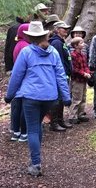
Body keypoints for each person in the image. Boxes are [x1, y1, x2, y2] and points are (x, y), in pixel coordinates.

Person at [5, 21, 70, 177]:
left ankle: (36, 164)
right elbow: (61, 76)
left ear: (30, 37)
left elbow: (17, 75)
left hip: (31, 96)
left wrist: (9, 95)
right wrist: (66, 96)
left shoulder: (26, 52)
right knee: (38, 124)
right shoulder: (53, 52)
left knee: (32, 128)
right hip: (49, 97)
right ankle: (37, 156)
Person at [48, 20, 73, 131]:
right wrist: (63, 75)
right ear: (57, 30)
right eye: (64, 29)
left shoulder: (61, 42)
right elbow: (59, 62)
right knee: (57, 99)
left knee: (62, 99)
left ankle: (60, 120)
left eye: (67, 29)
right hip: (59, 76)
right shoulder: (56, 43)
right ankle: (54, 123)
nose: (66, 31)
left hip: (64, 75)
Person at [8, 23, 31, 142]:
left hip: (19, 78)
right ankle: (24, 132)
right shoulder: (25, 46)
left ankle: (16, 131)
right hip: (24, 79)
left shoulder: (19, 44)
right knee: (23, 107)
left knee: (17, 106)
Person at [68, 36, 91, 124]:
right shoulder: (73, 55)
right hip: (77, 80)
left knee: (83, 97)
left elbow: (85, 65)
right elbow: (75, 69)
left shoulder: (82, 55)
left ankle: (80, 114)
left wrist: (88, 72)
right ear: (76, 45)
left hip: (83, 80)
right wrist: (84, 73)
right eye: (81, 43)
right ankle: (72, 116)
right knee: (76, 98)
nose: (83, 44)